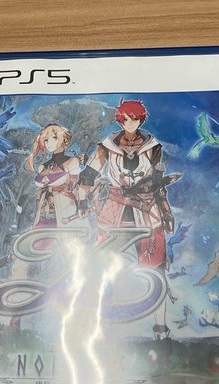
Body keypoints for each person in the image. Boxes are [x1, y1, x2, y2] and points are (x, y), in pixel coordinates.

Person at [79, 99, 177, 340]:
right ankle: (98, 327)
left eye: (134, 118)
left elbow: (158, 183)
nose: (130, 123)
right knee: (101, 267)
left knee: (156, 270)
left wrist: (165, 211)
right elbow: (89, 173)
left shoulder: (153, 146)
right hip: (115, 210)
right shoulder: (107, 146)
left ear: (141, 119)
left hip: (147, 211)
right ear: (120, 119)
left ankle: (161, 329)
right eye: (125, 119)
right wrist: (82, 199)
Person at [24, 123, 86, 229]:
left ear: (64, 139)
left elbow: (79, 188)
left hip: (65, 209)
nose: (49, 143)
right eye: (46, 140)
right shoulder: (45, 166)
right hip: (44, 212)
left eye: (54, 138)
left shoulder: (72, 162)